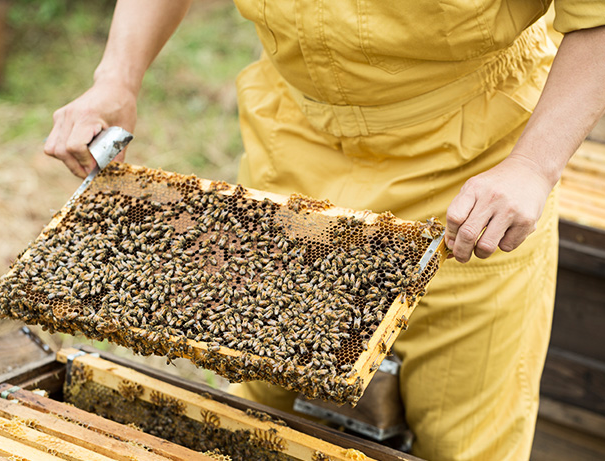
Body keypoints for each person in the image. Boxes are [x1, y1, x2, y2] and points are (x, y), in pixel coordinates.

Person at [44, 1, 605, 459]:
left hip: (470, 166)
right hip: (294, 146)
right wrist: (117, 76)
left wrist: (532, 165)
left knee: (462, 434)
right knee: (254, 418)